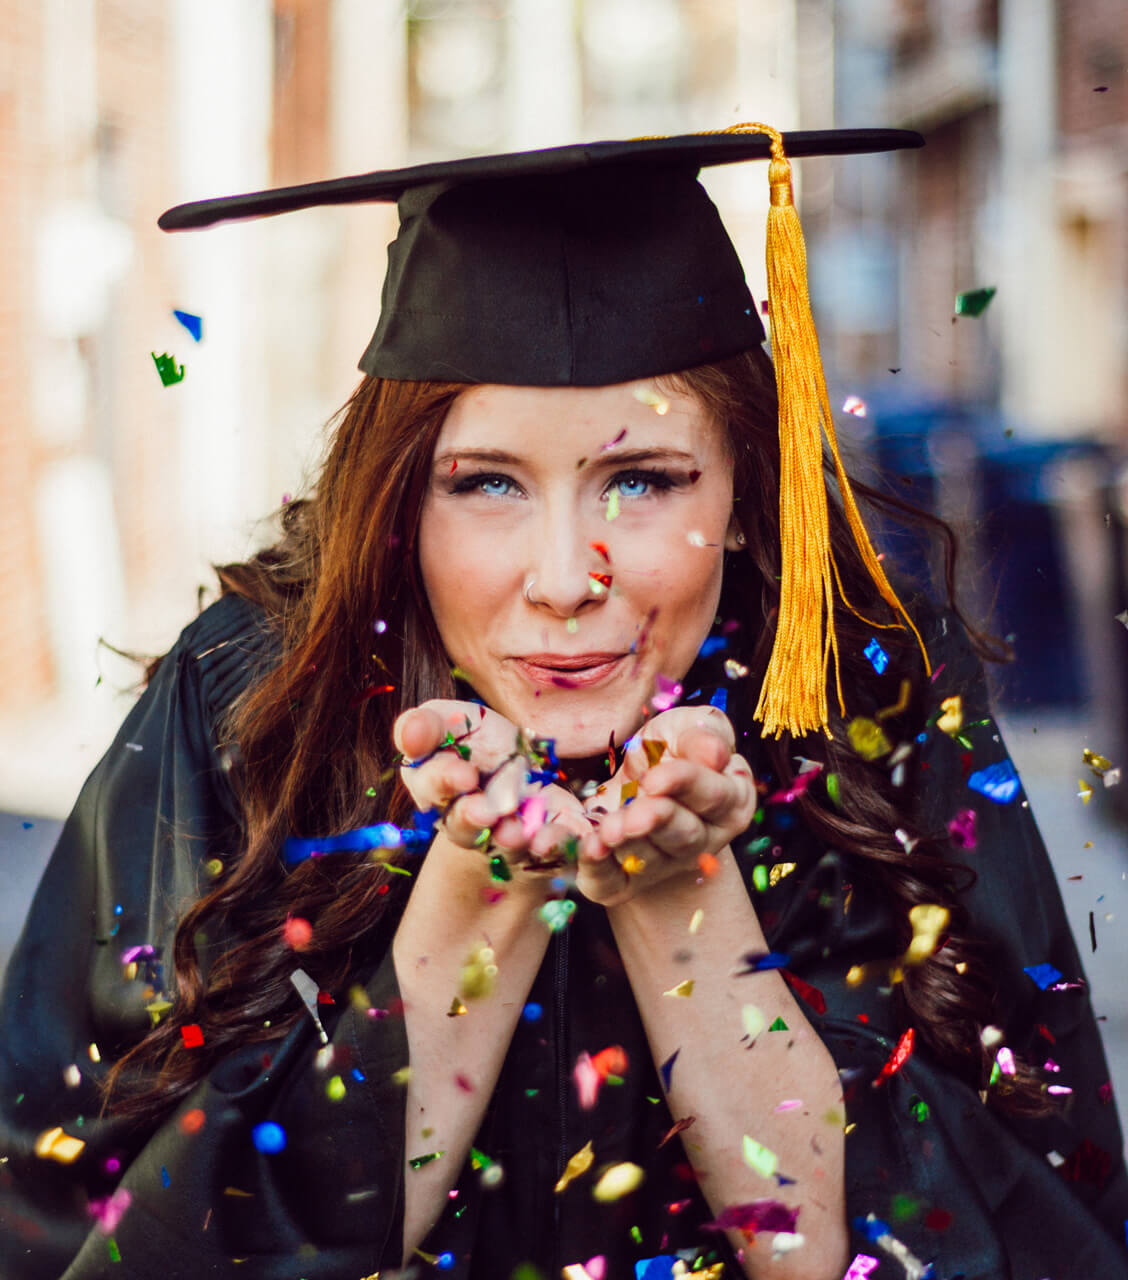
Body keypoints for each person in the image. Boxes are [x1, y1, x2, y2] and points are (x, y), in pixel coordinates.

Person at [1, 125, 1125, 1280]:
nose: (562, 576)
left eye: (641, 480)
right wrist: (475, 898)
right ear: (400, 500)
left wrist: (680, 899)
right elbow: (78, 1227)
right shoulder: (251, 702)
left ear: (744, 485)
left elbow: (1033, 1223)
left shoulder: (864, 690)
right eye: (484, 482)